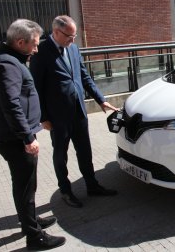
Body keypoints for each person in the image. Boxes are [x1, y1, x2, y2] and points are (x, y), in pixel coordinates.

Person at [0, 19, 66, 250]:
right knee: (25, 186)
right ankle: (34, 236)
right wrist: (27, 138)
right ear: (20, 42)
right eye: (34, 45)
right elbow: (11, 105)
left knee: (26, 184)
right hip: (15, 138)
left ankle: (30, 220)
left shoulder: (10, 58)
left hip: (14, 135)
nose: (37, 49)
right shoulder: (8, 65)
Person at [30, 15, 119, 208]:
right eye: (69, 36)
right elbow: (36, 87)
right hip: (57, 116)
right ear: (55, 32)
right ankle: (66, 191)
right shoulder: (40, 52)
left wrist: (101, 100)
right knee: (61, 155)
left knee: (85, 151)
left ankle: (92, 185)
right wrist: (43, 118)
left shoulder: (74, 49)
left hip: (79, 111)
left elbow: (83, 76)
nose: (73, 40)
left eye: (75, 36)